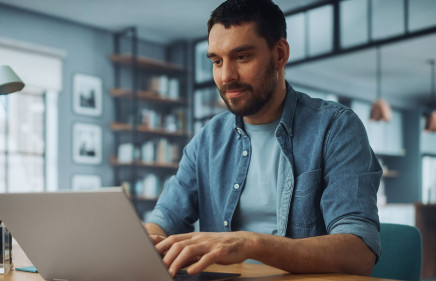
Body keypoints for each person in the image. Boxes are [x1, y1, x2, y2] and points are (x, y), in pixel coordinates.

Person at [145, 0, 382, 277]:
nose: (226, 76)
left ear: (280, 54)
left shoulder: (335, 127)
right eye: (217, 61)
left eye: (242, 57)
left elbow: (359, 252)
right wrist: (149, 238)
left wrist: (251, 243)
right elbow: (164, 219)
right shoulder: (207, 140)